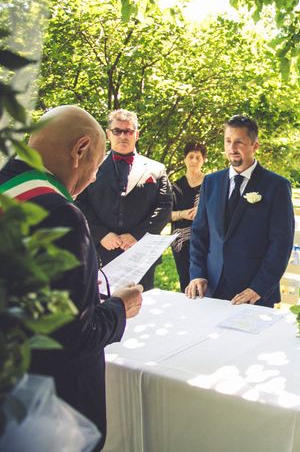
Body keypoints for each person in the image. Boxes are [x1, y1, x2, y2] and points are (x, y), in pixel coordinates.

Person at [0, 105, 143, 449]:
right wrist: (119, 308)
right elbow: (73, 336)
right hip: (46, 418)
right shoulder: (58, 215)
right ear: (79, 150)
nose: (94, 178)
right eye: (95, 165)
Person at [186, 115, 294, 307]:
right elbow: (199, 234)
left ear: (255, 146)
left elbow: (281, 244)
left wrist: (258, 288)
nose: (232, 149)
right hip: (211, 289)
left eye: (239, 142)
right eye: (228, 141)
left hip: (254, 294)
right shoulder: (210, 182)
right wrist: (198, 274)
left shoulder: (277, 186)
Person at [76, 109, 172, 290]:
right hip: (101, 251)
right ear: (108, 134)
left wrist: (137, 235)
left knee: (142, 307)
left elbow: (164, 207)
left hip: (140, 252)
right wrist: (101, 234)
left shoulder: (156, 169)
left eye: (128, 131)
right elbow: (79, 203)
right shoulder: (90, 167)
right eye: (117, 131)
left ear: (136, 134)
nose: (123, 136)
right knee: (101, 306)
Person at [170, 142, 207, 292]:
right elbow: (165, 215)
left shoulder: (211, 183)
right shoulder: (174, 186)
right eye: (190, 157)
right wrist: (183, 214)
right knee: (186, 280)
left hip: (206, 238)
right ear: (184, 159)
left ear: (203, 160)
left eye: (198, 157)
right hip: (182, 241)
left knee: (206, 281)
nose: (194, 160)